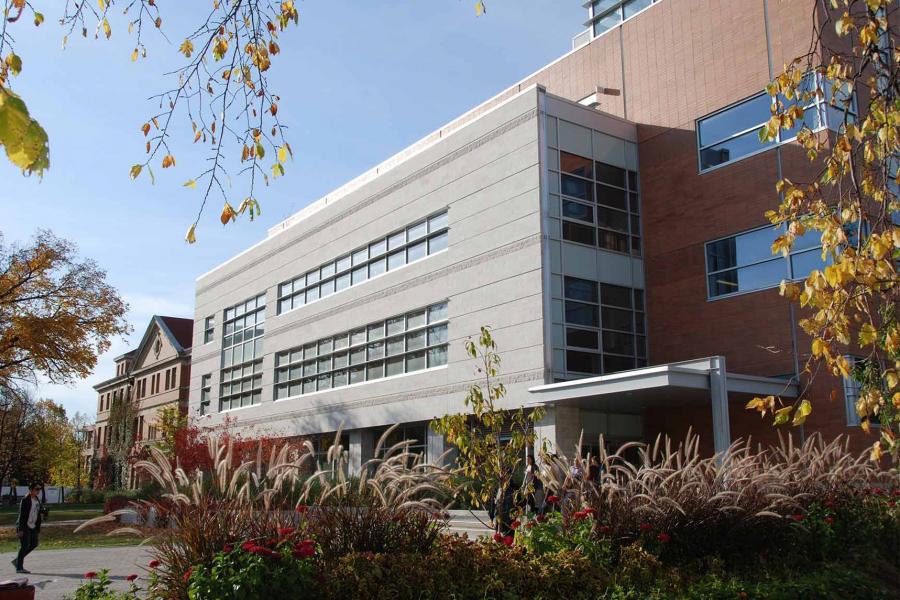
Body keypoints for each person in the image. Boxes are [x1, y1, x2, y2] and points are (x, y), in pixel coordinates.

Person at [13, 483, 42, 574]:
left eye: (39, 489)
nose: (38, 491)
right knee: (24, 546)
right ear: (31, 490)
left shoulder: (37, 499)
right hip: (24, 526)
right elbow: (21, 515)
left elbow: (37, 511)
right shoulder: (25, 500)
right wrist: (20, 529)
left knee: (34, 543)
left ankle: (17, 560)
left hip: (33, 525)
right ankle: (19, 567)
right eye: (36, 489)